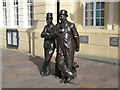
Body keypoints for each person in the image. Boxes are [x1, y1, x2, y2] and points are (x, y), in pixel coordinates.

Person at [54, 10, 80, 83]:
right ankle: (69, 74)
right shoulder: (57, 25)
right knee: (59, 62)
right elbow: (53, 33)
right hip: (60, 47)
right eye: (60, 15)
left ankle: (65, 77)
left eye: (62, 15)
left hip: (69, 47)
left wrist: (77, 46)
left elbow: (76, 36)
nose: (60, 17)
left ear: (65, 17)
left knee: (69, 63)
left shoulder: (71, 25)